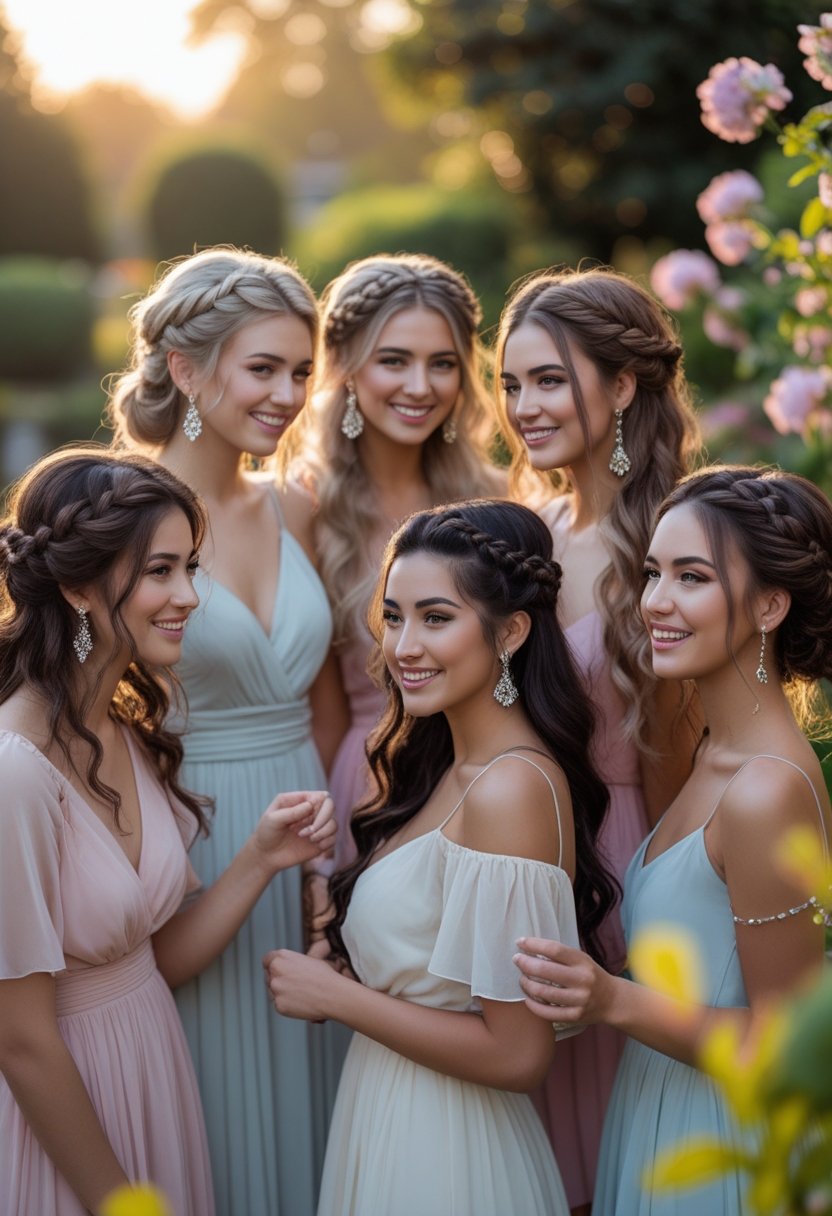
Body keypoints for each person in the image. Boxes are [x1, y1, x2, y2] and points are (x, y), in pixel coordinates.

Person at [0, 448, 336, 1216]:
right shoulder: (14, 772)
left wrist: (260, 858)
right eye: (160, 571)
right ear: (79, 585)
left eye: (192, 567)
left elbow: (151, 962)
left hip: (155, 1080)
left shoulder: (121, 726)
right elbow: (19, 1040)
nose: (190, 595)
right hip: (71, 1124)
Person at [264, 498, 618, 1216]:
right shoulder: (445, 769)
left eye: (436, 618)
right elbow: (430, 976)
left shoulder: (511, 788)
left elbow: (519, 1055)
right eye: (393, 617)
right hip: (387, 1113)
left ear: (510, 631)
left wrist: (338, 998)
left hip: (451, 1152)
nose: (403, 647)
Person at [515, 465, 832, 1216]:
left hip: (725, 1142)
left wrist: (611, 1001)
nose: (655, 601)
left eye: (691, 578)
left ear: (769, 604)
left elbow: (786, 1049)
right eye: (653, 573)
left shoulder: (765, 789)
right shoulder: (711, 756)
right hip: (655, 1110)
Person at [107, 247, 339, 1215]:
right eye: (263, 368)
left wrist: (335, 847)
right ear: (189, 370)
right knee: (217, 1110)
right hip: (190, 829)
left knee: (320, 1097)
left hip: (306, 836)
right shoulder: (120, 514)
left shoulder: (298, 503)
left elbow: (326, 694)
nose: (287, 395)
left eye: (300, 372)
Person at [495, 265, 703, 1211]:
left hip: (626, 877)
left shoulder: (666, 544)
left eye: (549, 379)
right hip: (527, 872)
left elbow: (682, 767)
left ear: (623, 386)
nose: (523, 406)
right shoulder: (530, 531)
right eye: (511, 383)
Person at [290, 252, 503, 877]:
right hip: (370, 784)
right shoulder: (303, 508)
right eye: (394, 360)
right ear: (347, 370)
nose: (420, 386)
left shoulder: (499, 497)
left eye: (441, 364)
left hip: (487, 787)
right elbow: (321, 712)